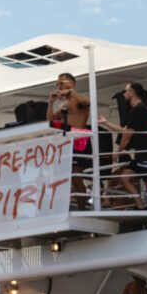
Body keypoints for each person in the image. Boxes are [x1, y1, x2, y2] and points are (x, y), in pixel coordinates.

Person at [100, 83, 147, 210]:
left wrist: (118, 151)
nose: (123, 94)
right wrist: (106, 123)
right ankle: (141, 206)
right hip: (143, 154)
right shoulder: (142, 108)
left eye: (125, 91)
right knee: (124, 177)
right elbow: (126, 130)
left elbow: (127, 134)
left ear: (132, 92)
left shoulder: (138, 109)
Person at [47, 72, 91, 210]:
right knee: (67, 177)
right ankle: (69, 207)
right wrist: (50, 102)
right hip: (66, 143)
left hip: (79, 141)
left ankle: (83, 208)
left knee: (76, 177)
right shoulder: (64, 104)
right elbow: (51, 120)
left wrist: (70, 91)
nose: (58, 86)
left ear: (71, 83)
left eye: (61, 83)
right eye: (57, 84)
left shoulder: (78, 99)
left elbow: (87, 102)